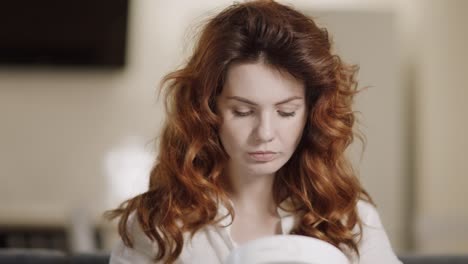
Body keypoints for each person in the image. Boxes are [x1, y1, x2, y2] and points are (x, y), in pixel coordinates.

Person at [106, 0, 402, 263]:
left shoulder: (351, 219)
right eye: (243, 111)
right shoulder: (159, 224)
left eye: (286, 112)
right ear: (208, 111)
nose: (265, 133)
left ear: (311, 113)